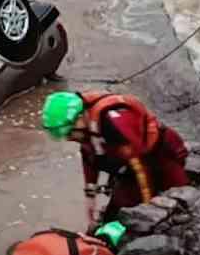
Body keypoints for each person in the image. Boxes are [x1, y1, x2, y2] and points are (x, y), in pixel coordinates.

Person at [41, 90, 190, 229]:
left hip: (161, 155)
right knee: (114, 215)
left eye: (68, 133)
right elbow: (89, 157)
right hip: (128, 166)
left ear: (79, 117)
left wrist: (146, 209)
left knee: (181, 203)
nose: (68, 138)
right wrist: (90, 197)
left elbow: (140, 166)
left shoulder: (114, 123)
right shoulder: (86, 128)